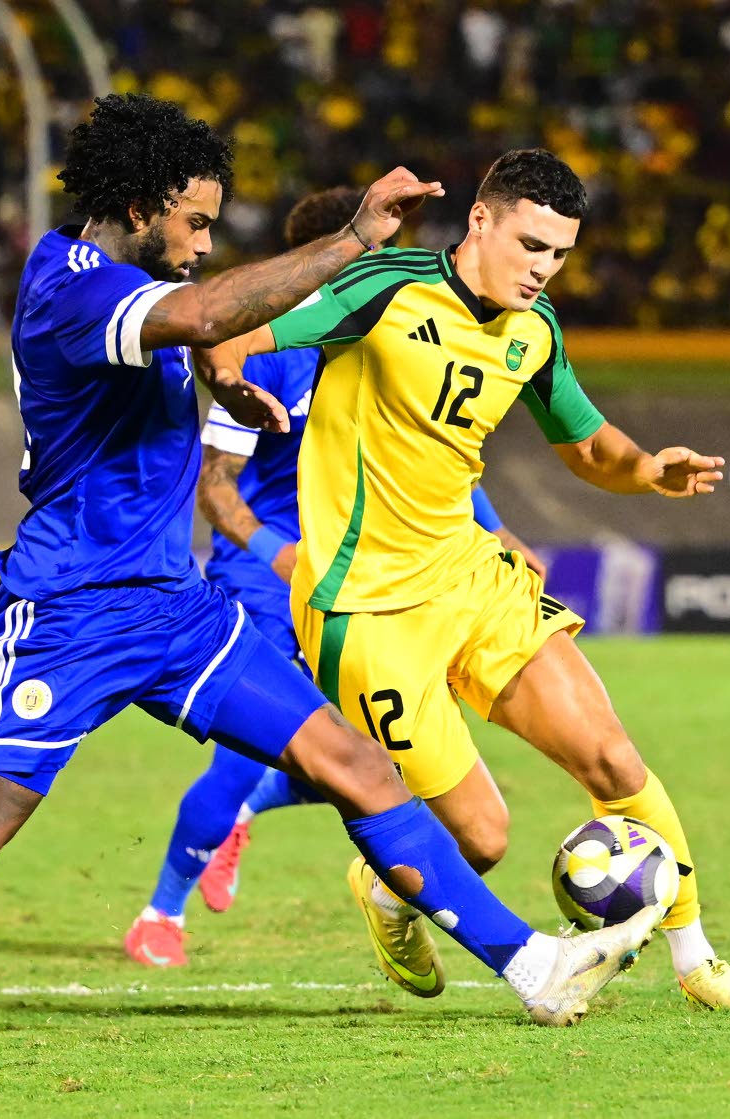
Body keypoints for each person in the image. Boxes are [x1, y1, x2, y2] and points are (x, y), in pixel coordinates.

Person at [0, 97, 661, 1059]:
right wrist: (356, 238)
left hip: (178, 609)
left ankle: (534, 966)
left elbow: (186, 341)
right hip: (68, 611)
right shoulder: (69, 283)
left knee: (355, 764)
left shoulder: (124, 288)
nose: (202, 239)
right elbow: (193, 313)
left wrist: (223, 382)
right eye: (194, 221)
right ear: (141, 208)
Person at [195, 148, 730, 1014]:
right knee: (481, 836)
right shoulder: (386, 287)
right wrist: (230, 373)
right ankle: (390, 888)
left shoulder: (534, 333)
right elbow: (243, 327)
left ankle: (697, 961)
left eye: (560, 255)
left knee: (612, 755)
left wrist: (649, 467)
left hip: (474, 577)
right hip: (366, 609)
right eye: (531, 245)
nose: (543, 270)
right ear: (481, 219)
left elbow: (588, 447)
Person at [125, 187, 546, 967]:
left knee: (385, 756)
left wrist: (500, 532)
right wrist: (273, 553)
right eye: (370, 257)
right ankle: (161, 914)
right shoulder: (271, 348)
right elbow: (214, 485)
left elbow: (437, 464)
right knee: (247, 749)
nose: (389, 271)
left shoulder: (393, 342)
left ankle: (251, 810)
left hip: (374, 575)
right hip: (271, 582)